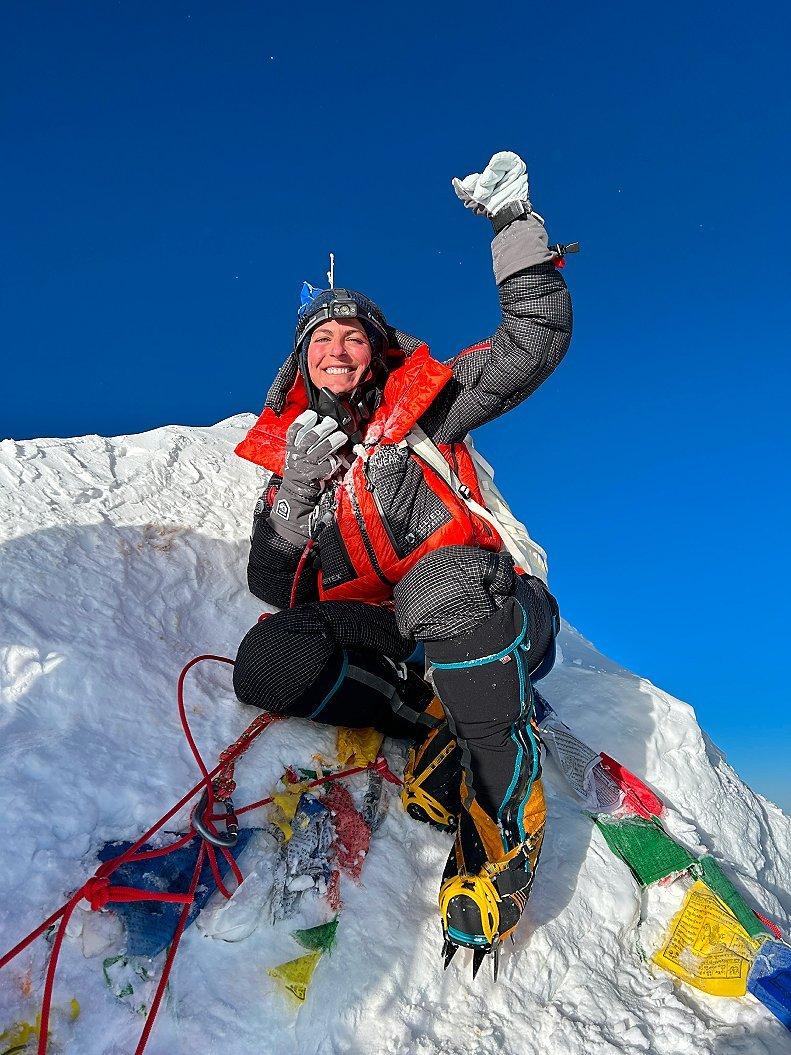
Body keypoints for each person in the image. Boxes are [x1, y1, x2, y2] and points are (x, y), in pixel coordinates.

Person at [232, 151, 573, 973]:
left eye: (354, 336)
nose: (338, 348)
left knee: (435, 578)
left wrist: (513, 230)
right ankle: (436, 715)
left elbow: (530, 345)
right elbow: (274, 587)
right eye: (324, 337)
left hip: (498, 612)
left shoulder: (423, 403)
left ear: (376, 351)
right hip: (408, 638)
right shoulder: (297, 456)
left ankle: (499, 829)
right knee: (269, 658)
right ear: (302, 358)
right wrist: (292, 502)